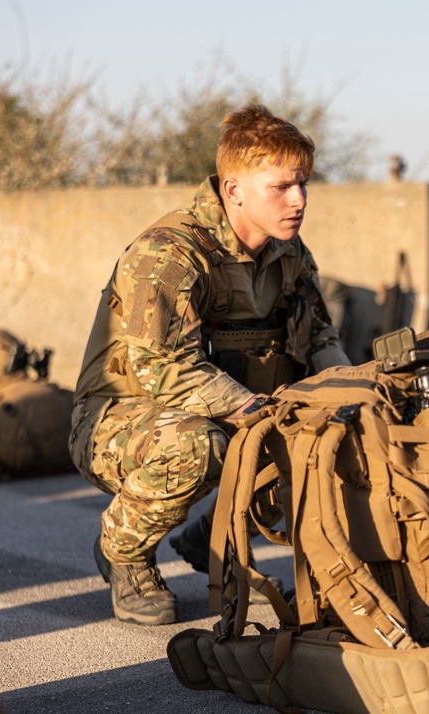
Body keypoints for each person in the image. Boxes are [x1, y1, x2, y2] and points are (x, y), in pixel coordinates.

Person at [69, 104, 349, 626]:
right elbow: (165, 370)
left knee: (322, 432)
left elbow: (319, 340)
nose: (299, 200)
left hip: (226, 410)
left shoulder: (289, 254)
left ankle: (212, 540)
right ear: (234, 189)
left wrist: (349, 398)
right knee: (199, 447)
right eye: (282, 187)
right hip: (119, 420)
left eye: (304, 184)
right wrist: (253, 409)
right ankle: (123, 552)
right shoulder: (169, 253)